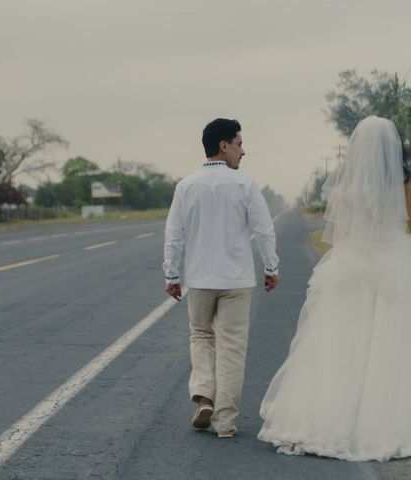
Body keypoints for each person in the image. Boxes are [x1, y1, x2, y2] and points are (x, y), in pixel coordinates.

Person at [258, 116, 411, 461]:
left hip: (351, 265)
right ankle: (386, 416)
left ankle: (332, 415)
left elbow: (340, 233)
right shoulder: (402, 184)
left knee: (341, 342)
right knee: (391, 342)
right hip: (394, 262)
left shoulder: (344, 188)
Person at [163, 118, 280, 438]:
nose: (244, 151)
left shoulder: (186, 186)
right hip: (236, 280)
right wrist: (271, 268)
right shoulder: (244, 184)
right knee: (232, 347)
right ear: (223, 146)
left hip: (199, 280)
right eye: (239, 144)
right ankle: (225, 422)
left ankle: (203, 396)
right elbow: (264, 230)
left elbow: (174, 235)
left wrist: (172, 274)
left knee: (201, 336)